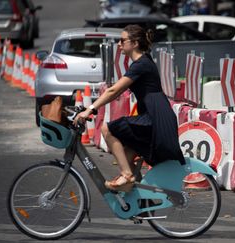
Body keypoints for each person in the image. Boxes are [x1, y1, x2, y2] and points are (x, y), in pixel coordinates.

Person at [74, 25, 185, 191]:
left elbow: (114, 90)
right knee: (127, 150)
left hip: (154, 118)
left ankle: (127, 175)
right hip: (154, 114)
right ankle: (136, 200)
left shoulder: (141, 65)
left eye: (122, 40)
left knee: (107, 129)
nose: (119, 44)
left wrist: (91, 109)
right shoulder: (143, 61)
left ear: (134, 43)